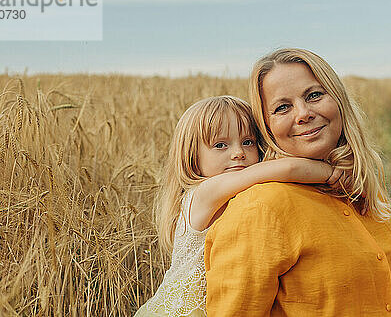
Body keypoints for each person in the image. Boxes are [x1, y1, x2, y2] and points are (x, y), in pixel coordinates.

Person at [204, 49, 391, 316]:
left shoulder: (359, 184)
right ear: (267, 126)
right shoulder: (261, 209)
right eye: (282, 107)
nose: (303, 113)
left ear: (339, 100)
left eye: (314, 95)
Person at [134, 95, 346, 317]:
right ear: (191, 156)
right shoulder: (203, 193)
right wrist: (331, 174)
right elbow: (289, 169)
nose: (238, 153)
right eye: (220, 145)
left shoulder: (244, 193)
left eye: (248, 142)